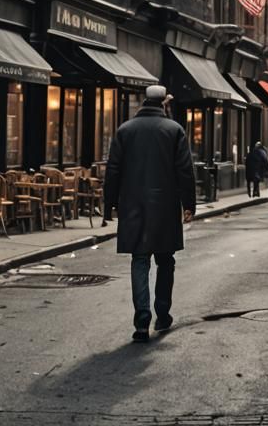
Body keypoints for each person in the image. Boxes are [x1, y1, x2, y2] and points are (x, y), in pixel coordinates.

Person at [103, 85, 196, 344]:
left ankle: (141, 320)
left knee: (140, 260)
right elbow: (185, 172)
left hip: (132, 206)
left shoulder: (125, 130)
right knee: (165, 261)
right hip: (165, 207)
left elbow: (113, 170)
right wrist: (189, 204)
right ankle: (162, 313)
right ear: (164, 103)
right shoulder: (174, 130)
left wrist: (110, 203)